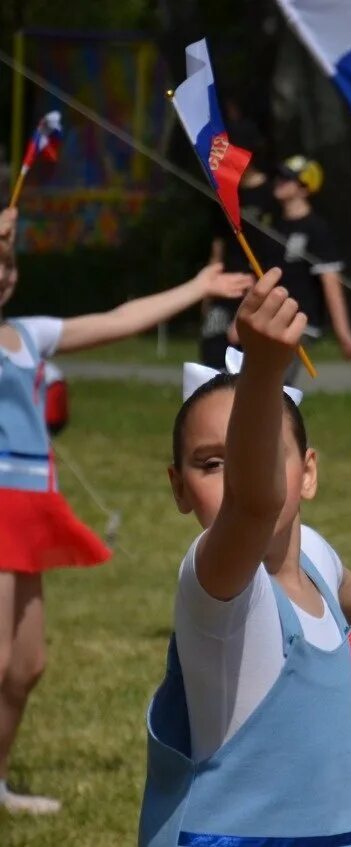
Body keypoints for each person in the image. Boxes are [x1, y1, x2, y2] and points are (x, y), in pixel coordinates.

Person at [0, 206, 251, 815]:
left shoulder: (27, 335)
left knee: (26, 665)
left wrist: (199, 286)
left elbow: (118, 320)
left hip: (28, 505)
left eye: (8, 262)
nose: (6, 273)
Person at [140, 268, 351, 845]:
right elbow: (254, 506)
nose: (236, 478)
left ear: (308, 472)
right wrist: (262, 369)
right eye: (212, 463)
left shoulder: (318, 557)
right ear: (178, 487)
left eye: (255, 455)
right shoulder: (214, 581)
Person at [272, 155, 351, 380]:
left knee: (277, 385)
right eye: (280, 176)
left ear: (305, 188)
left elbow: (331, 282)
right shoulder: (272, 224)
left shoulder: (317, 229)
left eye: (288, 178)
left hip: (299, 323)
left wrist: (343, 333)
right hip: (271, 319)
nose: (279, 182)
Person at [200, 130, 277, 368]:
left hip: (258, 281)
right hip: (227, 280)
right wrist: (208, 290)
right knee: (212, 343)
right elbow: (218, 246)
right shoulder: (225, 193)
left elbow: (274, 251)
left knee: (246, 348)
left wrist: (260, 286)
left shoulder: (271, 194)